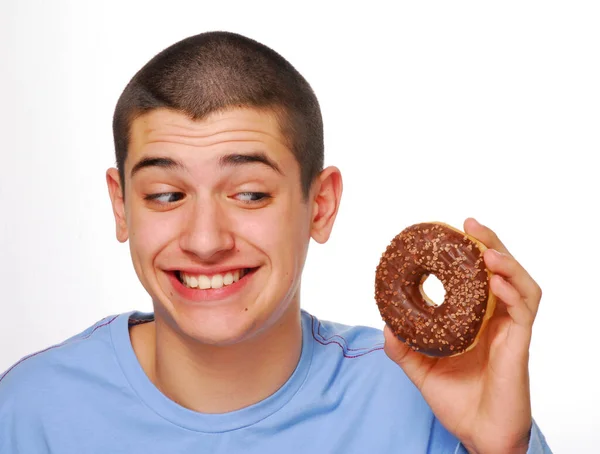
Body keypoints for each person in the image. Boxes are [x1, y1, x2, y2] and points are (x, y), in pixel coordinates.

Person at [0, 31, 551, 453]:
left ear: (321, 204)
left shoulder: (426, 397)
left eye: (250, 194)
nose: (205, 240)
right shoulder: (30, 412)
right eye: (167, 195)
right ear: (121, 206)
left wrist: (501, 449)